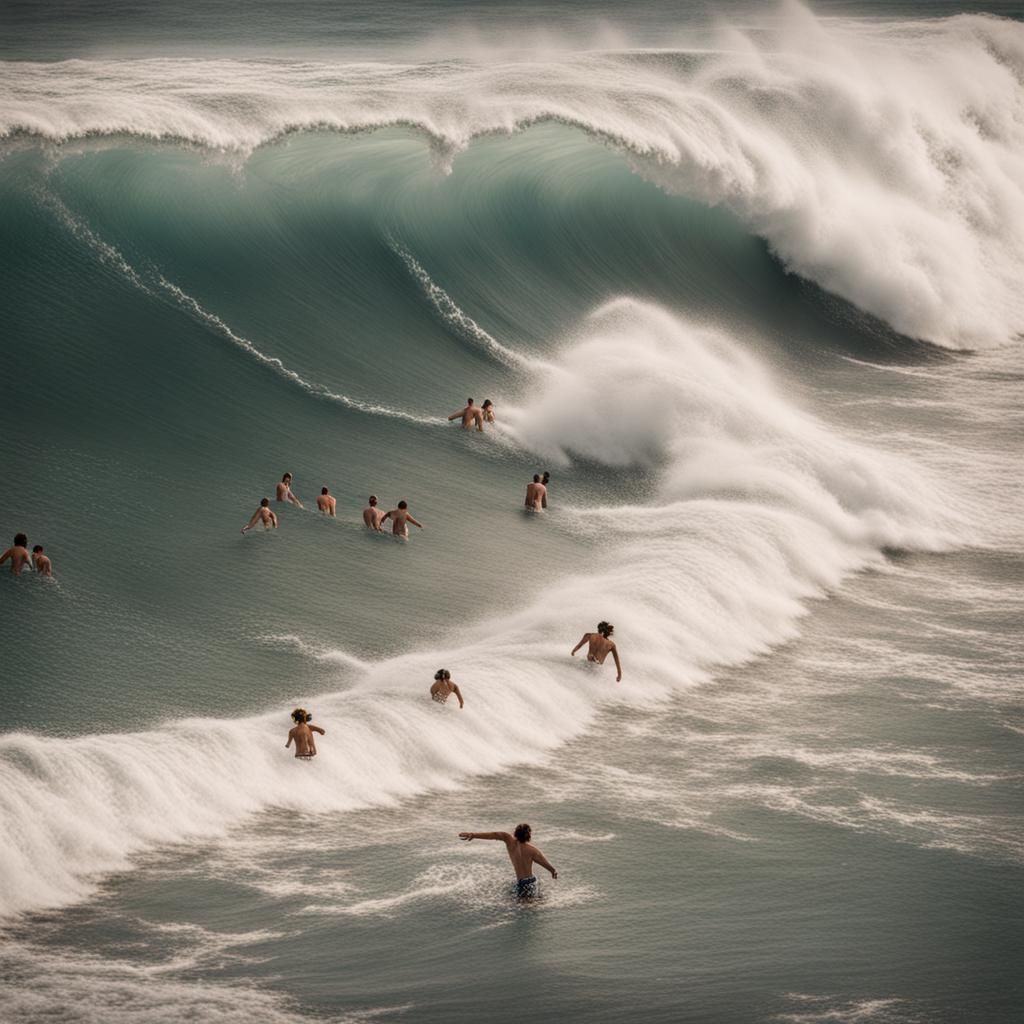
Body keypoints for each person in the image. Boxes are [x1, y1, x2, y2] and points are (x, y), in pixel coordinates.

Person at [458, 823, 557, 898]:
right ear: (529, 835)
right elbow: (546, 865)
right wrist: (553, 871)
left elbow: (493, 835)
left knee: (522, 907)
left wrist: (473, 835)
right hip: (530, 882)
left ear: (516, 833)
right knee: (528, 907)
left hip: (521, 883)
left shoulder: (509, 840)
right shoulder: (533, 850)